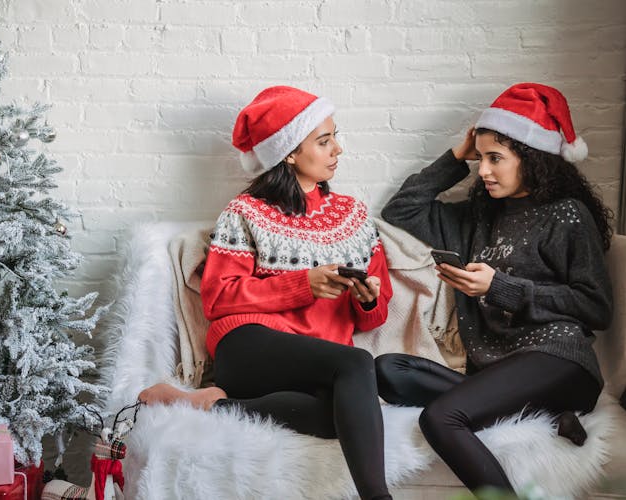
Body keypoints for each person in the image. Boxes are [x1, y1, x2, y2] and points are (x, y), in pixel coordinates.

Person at [139, 86, 394, 500]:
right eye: (324, 141)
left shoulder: (356, 216)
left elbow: (375, 315)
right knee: (357, 365)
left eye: (335, 137)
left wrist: (367, 299)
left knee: (342, 414)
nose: (337, 149)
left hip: (319, 359)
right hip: (249, 345)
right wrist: (303, 284)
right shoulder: (245, 212)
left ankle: (206, 404)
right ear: (290, 152)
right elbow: (218, 298)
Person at [376, 82, 614, 494]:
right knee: (388, 371)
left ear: (533, 158)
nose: (483, 170)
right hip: (496, 370)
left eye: (495, 158)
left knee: (440, 418)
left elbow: (596, 307)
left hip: (557, 358)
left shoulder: (566, 216)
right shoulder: (477, 219)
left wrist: (500, 287)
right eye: (480, 157)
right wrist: (456, 157)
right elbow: (402, 208)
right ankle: (549, 412)